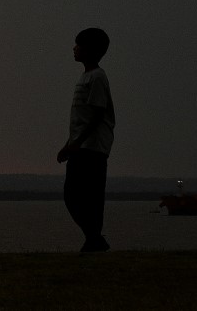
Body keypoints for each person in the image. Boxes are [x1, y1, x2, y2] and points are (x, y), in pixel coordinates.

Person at [57, 28, 115, 253]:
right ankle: (94, 239)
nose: (74, 49)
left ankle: (94, 240)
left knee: (88, 196)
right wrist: (68, 144)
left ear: (89, 50)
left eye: (78, 45)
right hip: (81, 145)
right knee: (73, 195)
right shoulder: (85, 77)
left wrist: (76, 142)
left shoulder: (98, 77)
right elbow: (82, 119)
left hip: (92, 147)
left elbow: (97, 115)